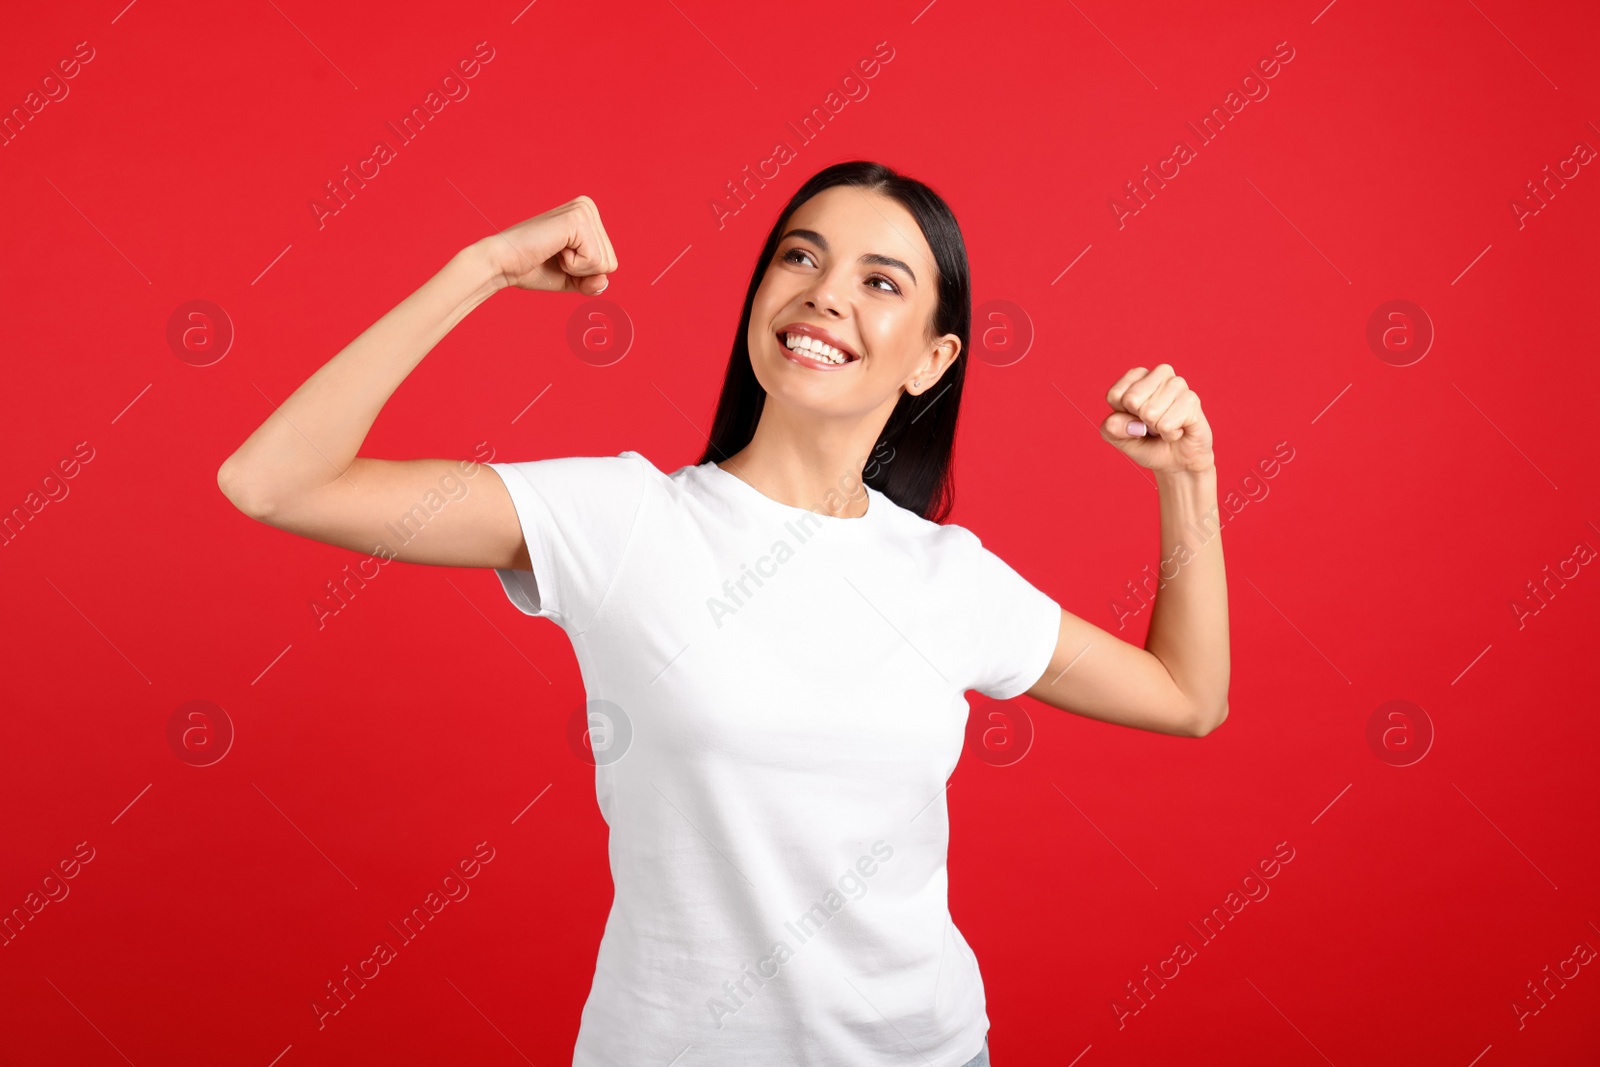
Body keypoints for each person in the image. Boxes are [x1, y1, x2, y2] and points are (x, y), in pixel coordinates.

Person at [217, 160, 1229, 1066]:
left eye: (880, 281)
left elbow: (1189, 697)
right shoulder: (620, 519)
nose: (825, 293)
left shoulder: (946, 574)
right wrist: (481, 266)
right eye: (801, 256)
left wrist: (1188, 476)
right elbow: (274, 482)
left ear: (931, 359)